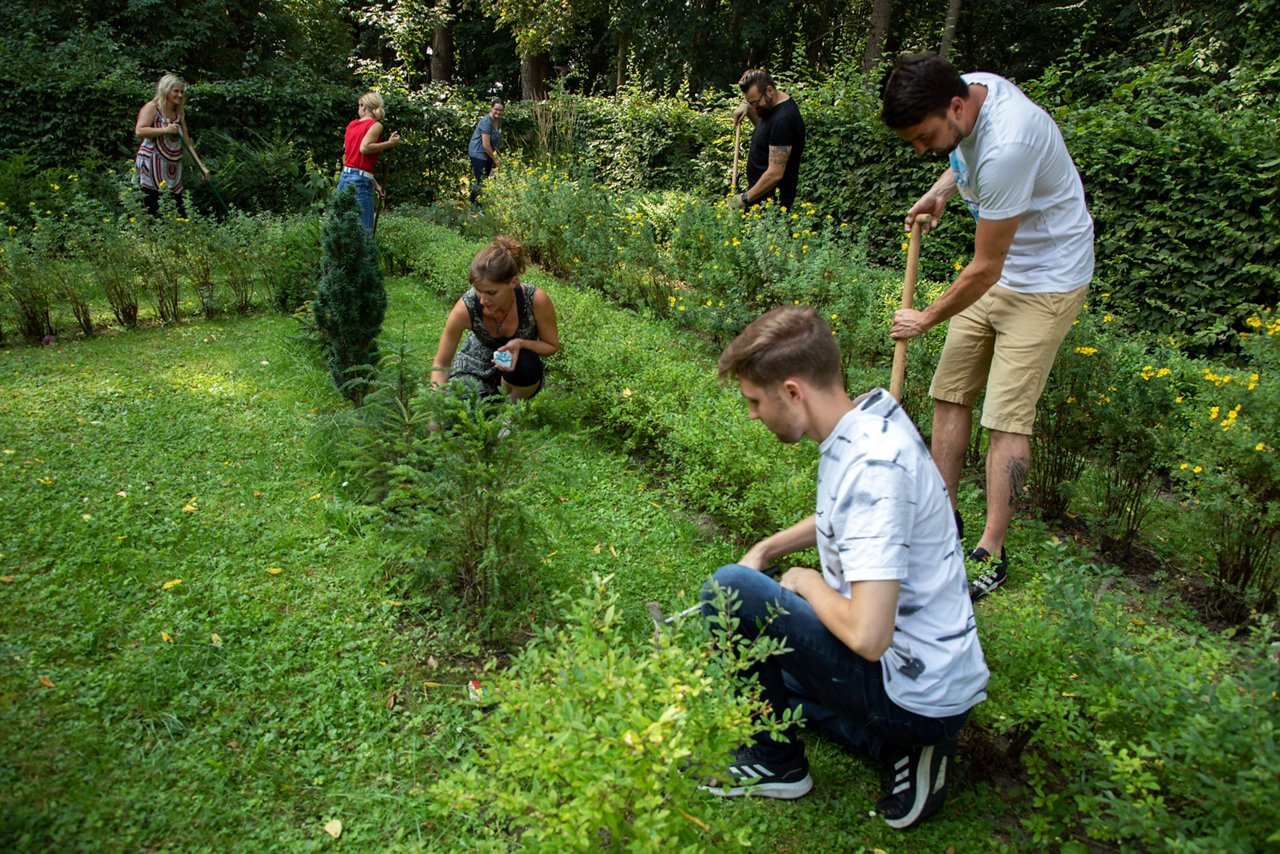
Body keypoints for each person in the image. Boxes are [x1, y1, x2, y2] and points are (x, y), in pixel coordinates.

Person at [699, 306, 988, 830]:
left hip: (913, 685)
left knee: (730, 593)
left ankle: (777, 761)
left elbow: (868, 636)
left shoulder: (874, 470)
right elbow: (844, 514)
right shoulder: (869, 419)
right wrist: (767, 549)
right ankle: (895, 744)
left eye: (754, 401)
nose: (752, 415)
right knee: (772, 665)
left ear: (792, 392)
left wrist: (805, 581)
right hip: (928, 671)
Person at [881, 52, 1095, 601]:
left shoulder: (1010, 144)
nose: (921, 149)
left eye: (924, 137)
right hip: (1001, 272)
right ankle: (941, 520)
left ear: (954, 107)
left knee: (1006, 418)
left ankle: (990, 553)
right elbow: (962, 157)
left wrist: (925, 317)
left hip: (1046, 280)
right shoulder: (971, 94)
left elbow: (984, 268)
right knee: (949, 392)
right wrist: (942, 189)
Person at [431, 236, 560, 400]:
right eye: (478, 290)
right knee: (463, 411)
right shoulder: (466, 307)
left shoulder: (536, 300)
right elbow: (441, 364)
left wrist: (521, 343)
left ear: (513, 282)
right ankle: (487, 402)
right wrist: (436, 409)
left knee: (527, 363)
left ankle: (509, 415)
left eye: (491, 293)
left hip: (516, 371)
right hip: (475, 368)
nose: (483, 300)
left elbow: (552, 345)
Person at [134, 73, 209, 217]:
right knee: (150, 207)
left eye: (182, 92)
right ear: (166, 90)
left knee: (175, 208)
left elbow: (187, 144)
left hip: (171, 168)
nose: (180, 95)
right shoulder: (152, 108)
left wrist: (201, 167)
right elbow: (140, 130)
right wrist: (165, 129)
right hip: (151, 167)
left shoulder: (178, 115)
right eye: (176, 91)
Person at [729, 69, 805, 211]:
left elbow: (775, 173)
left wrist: (744, 198)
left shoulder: (783, 120)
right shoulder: (771, 107)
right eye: (750, 102)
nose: (754, 106)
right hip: (759, 199)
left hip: (771, 207)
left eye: (755, 102)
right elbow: (766, 132)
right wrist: (747, 107)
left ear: (769, 90)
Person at [337, 92, 401, 231]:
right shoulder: (375, 125)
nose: (358, 109)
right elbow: (364, 148)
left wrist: (375, 184)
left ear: (364, 107)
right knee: (364, 232)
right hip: (359, 181)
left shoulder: (352, 125)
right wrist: (389, 143)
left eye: (359, 106)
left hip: (345, 178)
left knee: (340, 229)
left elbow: (355, 162)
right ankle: (364, 254)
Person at [468, 99, 504, 212]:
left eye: (501, 110)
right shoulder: (486, 121)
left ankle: (474, 205)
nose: (498, 112)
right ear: (491, 108)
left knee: (483, 179)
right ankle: (476, 208)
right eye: (496, 109)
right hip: (478, 152)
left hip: (488, 153)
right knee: (481, 180)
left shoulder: (499, 120)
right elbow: (486, 144)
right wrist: (495, 159)